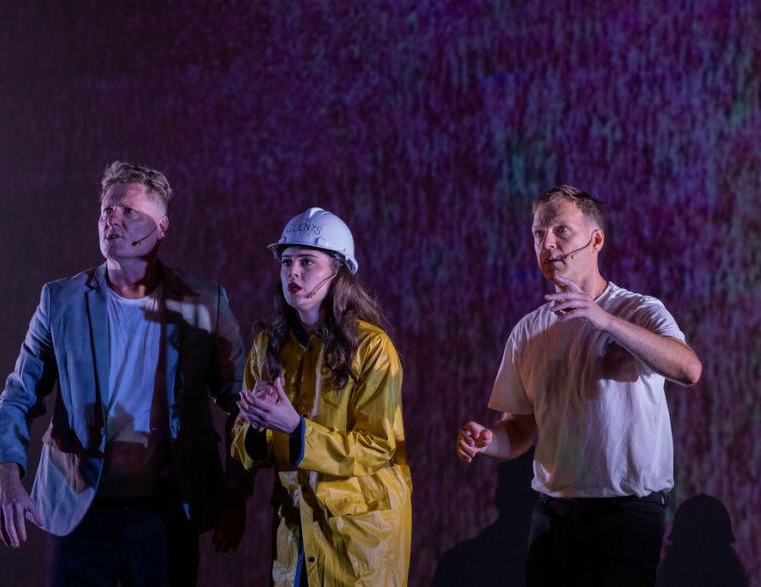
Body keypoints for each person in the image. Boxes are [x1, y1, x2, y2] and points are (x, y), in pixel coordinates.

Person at [0, 161, 251, 586]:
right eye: (107, 210)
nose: (114, 218)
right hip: (80, 511)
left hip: (166, 513)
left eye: (130, 212)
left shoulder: (205, 302)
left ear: (161, 227)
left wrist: (236, 490)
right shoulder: (62, 301)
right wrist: (5, 476)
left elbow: (242, 403)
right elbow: (18, 396)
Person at [456, 185, 702, 587]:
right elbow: (517, 430)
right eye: (538, 234)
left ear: (596, 240)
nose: (547, 244)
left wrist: (602, 320)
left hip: (625, 514)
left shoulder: (638, 310)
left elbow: (688, 368)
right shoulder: (528, 331)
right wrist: (487, 441)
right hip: (554, 514)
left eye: (561, 230)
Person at [231, 207, 412, 586]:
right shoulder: (268, 345)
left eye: (307, 262)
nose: (293, 273)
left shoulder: (373, 348)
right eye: (287, 262)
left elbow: (379, 446)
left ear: (338, 273)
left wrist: (296, 430)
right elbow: (243, 442)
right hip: (296, 533)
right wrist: (254, 428)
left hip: (357, 540)